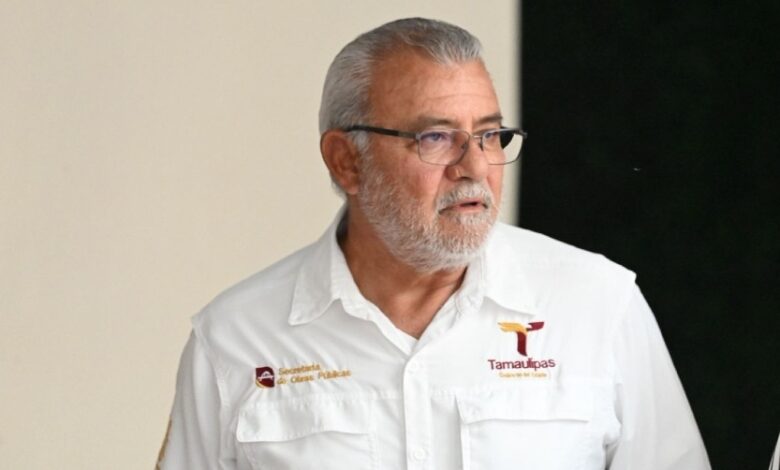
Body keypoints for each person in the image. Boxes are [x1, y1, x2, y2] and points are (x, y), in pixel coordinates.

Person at [157, 17, 711, 470]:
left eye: (489, 135)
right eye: (437, 137)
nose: (476, 167)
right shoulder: (235, 337)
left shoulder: (599, 304)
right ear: (346, 161)